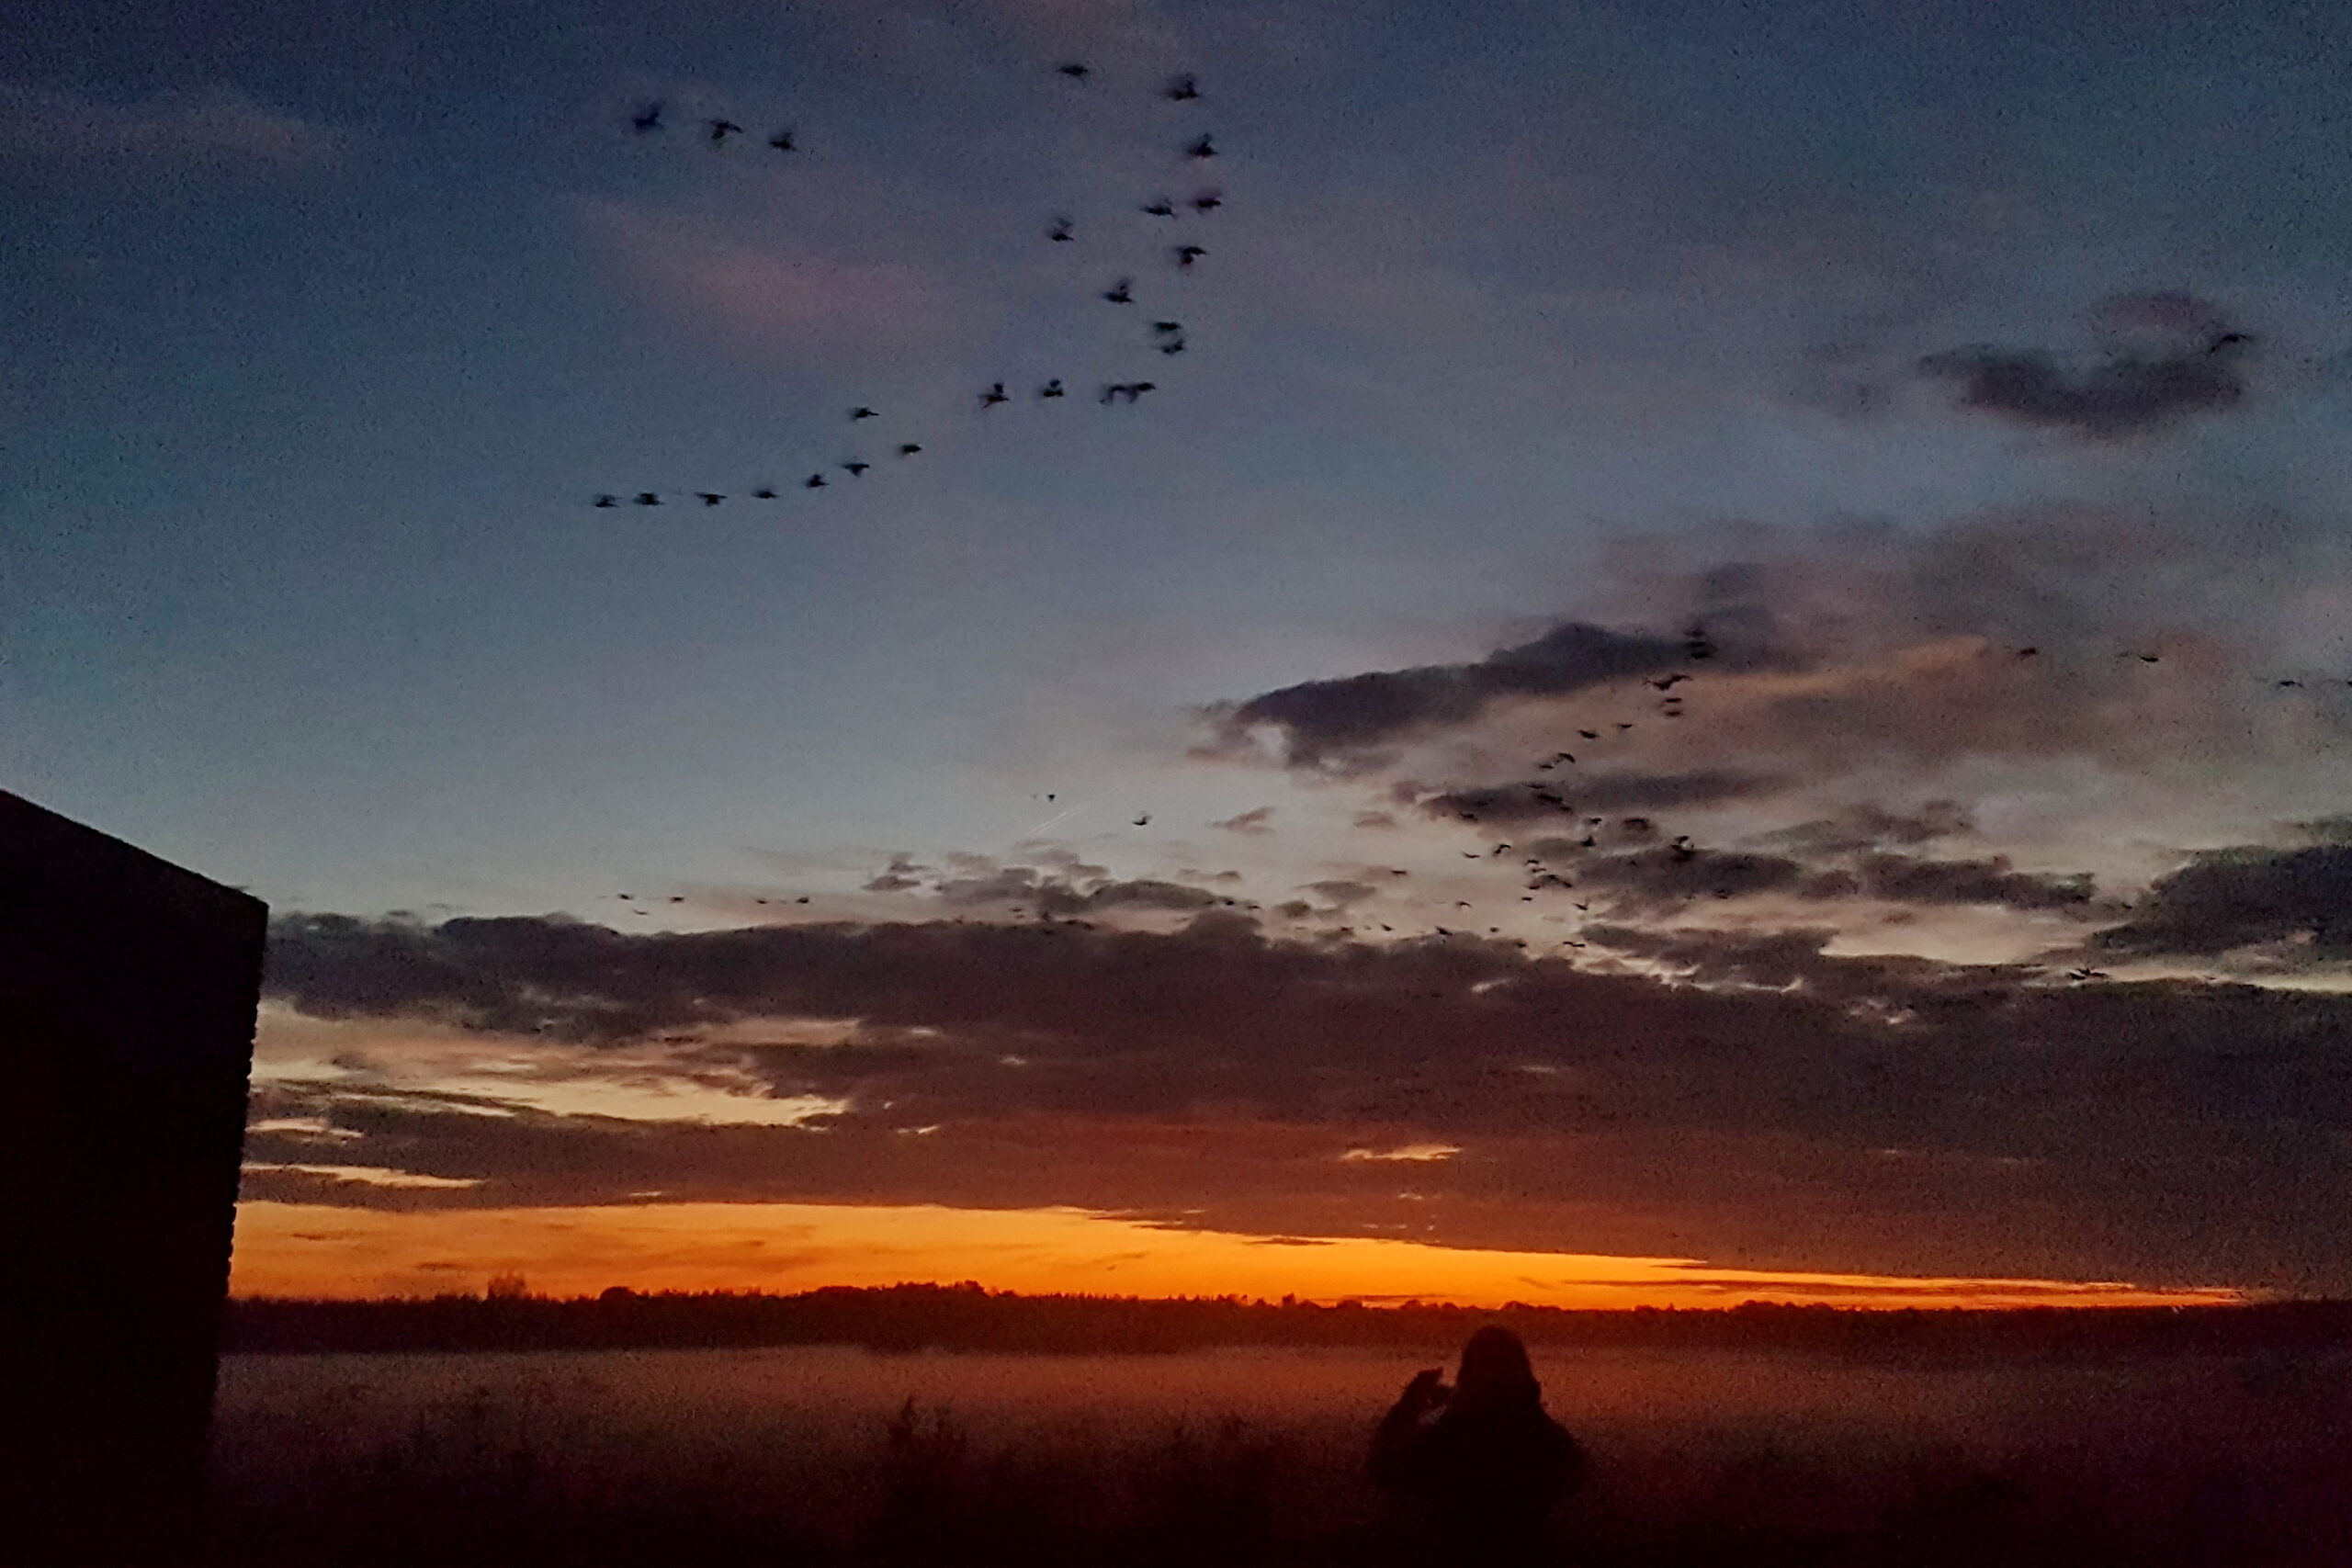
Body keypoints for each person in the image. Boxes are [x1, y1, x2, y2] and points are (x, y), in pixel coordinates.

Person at [1369, 1325, 1589, 1562]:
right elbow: (1576, 1475)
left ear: (1468, 1373)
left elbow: (1385, 1469)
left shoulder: (1452, 1436)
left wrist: (1409, 1405)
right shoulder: (1541, 1433)